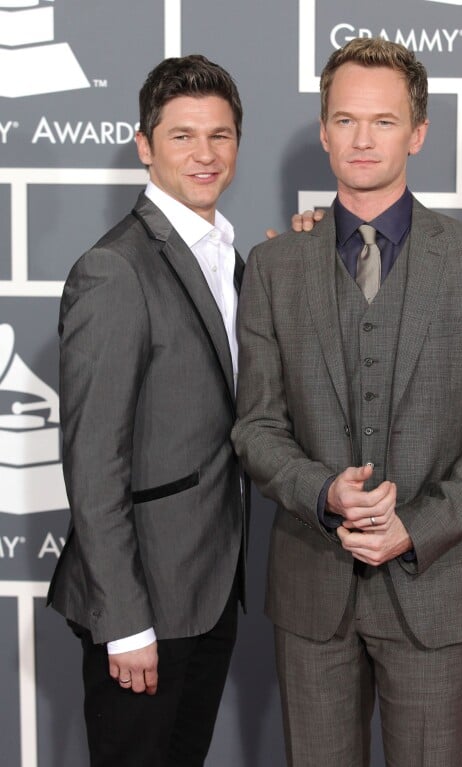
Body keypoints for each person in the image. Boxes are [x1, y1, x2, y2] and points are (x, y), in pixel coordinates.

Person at [232, 38, 462, 767]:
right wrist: (321, 490)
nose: (362, 139)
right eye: (345, 120)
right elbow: (257, 424)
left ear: (419, 132)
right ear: (323, 130)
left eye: (384, 121)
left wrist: (415, 526)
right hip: (312, 589)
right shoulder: (273, 267)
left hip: (433, 588)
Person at [47, 53, 312, 767]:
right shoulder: (117, 269)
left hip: (212, 587)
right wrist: (124, 620)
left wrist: (308, 258)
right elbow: (93, 459)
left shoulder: (231, 257)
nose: (205, 154)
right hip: (140, 601)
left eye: (220, 136)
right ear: (145, 146)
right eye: (183, 136)